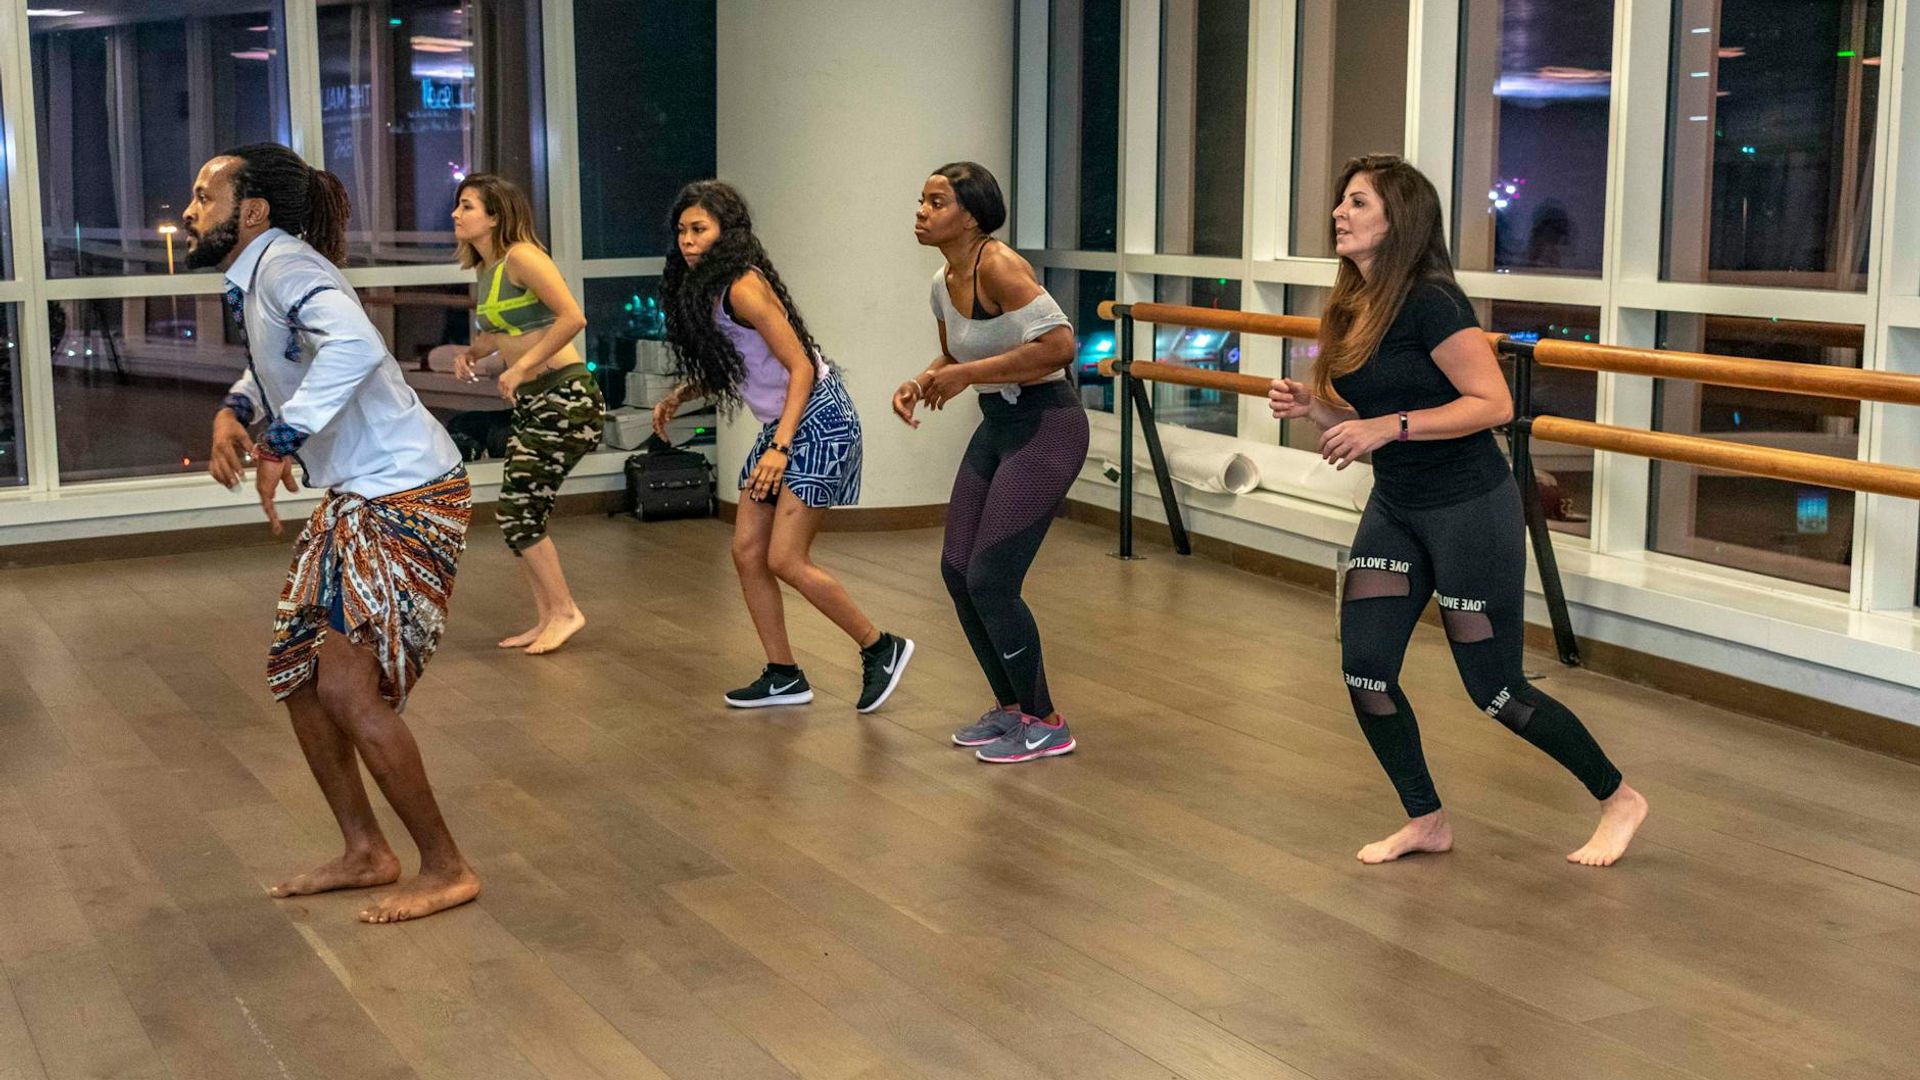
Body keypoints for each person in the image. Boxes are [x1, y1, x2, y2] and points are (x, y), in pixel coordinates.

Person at [1268, 153, 1647, 866]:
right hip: (1397, 508)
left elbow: (1493, 404)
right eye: (1342, 201)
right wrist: (1319, 410)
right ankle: (1426, 820)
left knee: (1497, 691)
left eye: (1358, 203)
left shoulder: (1432, 302)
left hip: (1469, 512)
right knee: (1366, 670)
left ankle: (1618, 797)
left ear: (1399, 220)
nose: (1339, 214)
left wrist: (1387, 427)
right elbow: (1380, 419)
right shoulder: (1355, 304)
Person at [190, 142, 480, 922]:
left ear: (253, 211)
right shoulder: (264, 275)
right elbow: (283, 361)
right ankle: (366, 851)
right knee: (298, 673)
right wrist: (236, 411)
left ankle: (446, 867)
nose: (190, 211)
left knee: (348, 687)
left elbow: (353, 344)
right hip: (360, 494)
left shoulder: (286, 266)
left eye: (206, 196)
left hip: (408, 491)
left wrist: (281, 442)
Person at [653, 180, 914, 713]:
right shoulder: (710, 289)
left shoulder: (743, 287)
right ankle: (783, 675)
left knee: (786, 558)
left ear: (726, 232)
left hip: (819, 417)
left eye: (699, 229)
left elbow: (800, 368)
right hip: (786, 422)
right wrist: (683, 393)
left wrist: (780, 447)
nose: (687, 240)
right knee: (748, 551)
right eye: (682, 230)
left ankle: (880, 647)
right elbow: (747, 363)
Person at [898, 161, 1086, 764]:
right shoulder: (942, 281)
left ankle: (1047, 722)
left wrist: (966, 375)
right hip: (999, 423)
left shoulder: (999, 266)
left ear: (971, 216)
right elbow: (955, 355)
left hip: (1048, 424)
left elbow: (1060, 345)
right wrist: (921, 380)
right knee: (958, 570)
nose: (921, 212)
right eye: (922, 201)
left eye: (936, 202)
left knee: (991, 579)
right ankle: (1011, 709)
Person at [449, 173, 603, 655]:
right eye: (458, 205)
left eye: (467, 206)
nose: (456, 214)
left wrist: (521, 368)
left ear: (495, 216)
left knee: (518, 512)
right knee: (518, 514)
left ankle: (566, 612)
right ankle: (549, 617)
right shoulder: (489, 268)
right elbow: (500, 331)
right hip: (537, 401)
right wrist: (472, 352)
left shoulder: (523, 257)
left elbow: (573, 318)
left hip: (566, 398)